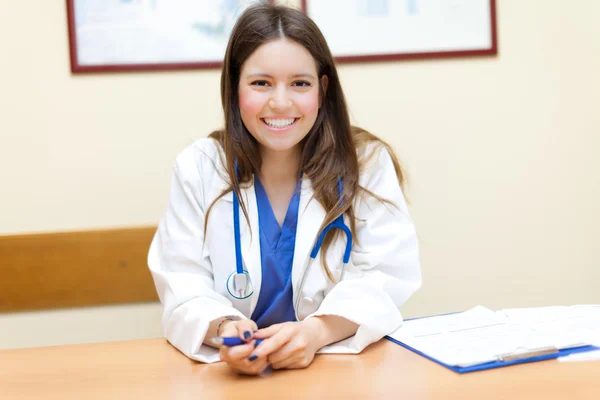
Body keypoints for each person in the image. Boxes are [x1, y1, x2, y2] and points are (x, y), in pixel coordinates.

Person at [148, 3, 421, 376]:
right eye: (261, 83)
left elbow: (385, 278)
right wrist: (228, 331)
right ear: (235, 86)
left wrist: (315, 332)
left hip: (335, 374)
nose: (280, 102)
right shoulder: (199, 168)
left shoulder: (367, 164)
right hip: (232, 380)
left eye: (300, 83)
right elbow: (182, 286)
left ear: (322, 89)